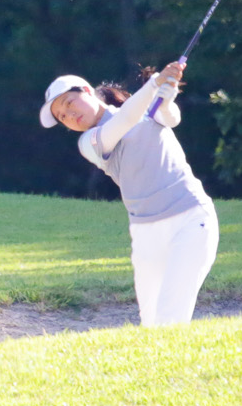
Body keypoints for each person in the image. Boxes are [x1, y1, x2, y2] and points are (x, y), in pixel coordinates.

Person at [39, 62, 217, 326]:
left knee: (170, 318)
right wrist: (154, 86)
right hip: (146, 234)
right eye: (62, 116)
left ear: (87, 91)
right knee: (150, 323)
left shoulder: (145, 107)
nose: (68, 114)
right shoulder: (89, 142)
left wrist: (166, 97)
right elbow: (124, 121)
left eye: (69, 103)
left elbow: (171, 118)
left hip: (191, 220)